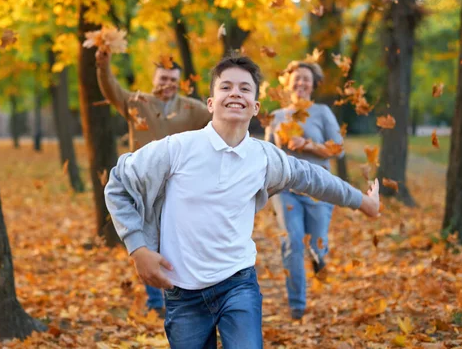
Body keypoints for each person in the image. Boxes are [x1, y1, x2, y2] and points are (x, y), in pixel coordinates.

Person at [104, 54, 380, 348]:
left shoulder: (263, 158)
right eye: (226, 87)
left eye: (245, 88)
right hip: (182, 291)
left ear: (255, 107)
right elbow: (118, 183)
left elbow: (313, 178)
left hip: (238, 283)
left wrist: (362, 202)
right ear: (210, 103)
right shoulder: (178, 148)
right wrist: (138, 249)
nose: (235, 92)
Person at [95, 49, 211, 315]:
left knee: (174, 239)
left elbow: (219, 122)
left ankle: (178, 291)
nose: (167, 84)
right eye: (163, 78)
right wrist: (103, 66)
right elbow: (112, 90)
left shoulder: (193, 109)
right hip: (144, 184)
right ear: (154, 78)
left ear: (179, 82)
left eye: (172, 79)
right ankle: (155, 302)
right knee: (146, 240)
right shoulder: (137, 101)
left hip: (179, 186)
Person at [264, 60, 345, 320]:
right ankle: (297, 305)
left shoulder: (322, 112)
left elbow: (338, 149)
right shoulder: (276, 116)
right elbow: (265, 157)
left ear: (313, 84)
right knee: (292, 242)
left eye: (306, 79)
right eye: (296, 78)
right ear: (287, 82)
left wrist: (307, 144)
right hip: (286, 190)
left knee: (318, 243)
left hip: (319, 189)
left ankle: (319, 256)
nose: (301, 83)